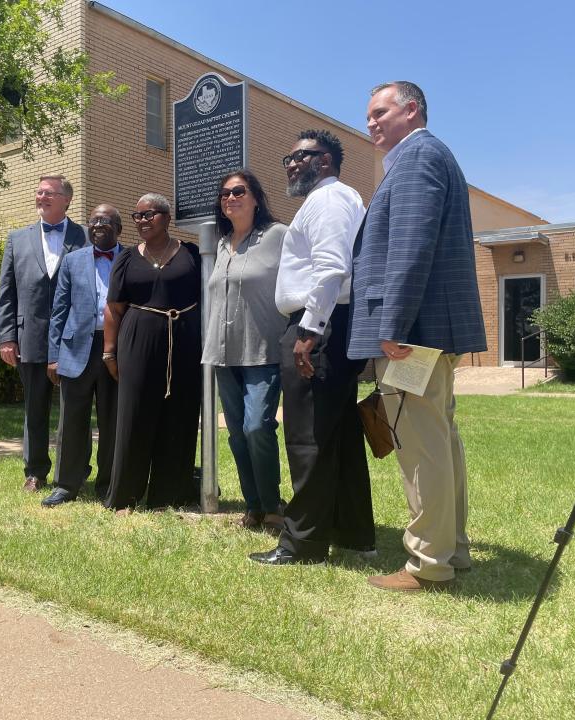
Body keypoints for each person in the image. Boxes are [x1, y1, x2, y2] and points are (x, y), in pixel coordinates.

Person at [348, 81, 487, 592]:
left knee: (421, 445)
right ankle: (453, 550)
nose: (371, 123)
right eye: (367, 116)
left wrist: (393, 327)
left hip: (410, 334)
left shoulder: (416, 157)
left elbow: (409, 246)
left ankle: (428, 564)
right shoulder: (428, 156)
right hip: (424, 330)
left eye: (380, 112)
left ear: (412, 109)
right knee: (439, 439)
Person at [250, 130, 374, 566]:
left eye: (299, 157)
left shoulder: (328, 200)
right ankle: (353, 531)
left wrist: (309, 330)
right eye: (288, 158)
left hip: (317, 327)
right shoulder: (333, 200)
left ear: (324, 161)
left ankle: (301, 543)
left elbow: (332, 268)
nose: (289, 164)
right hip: (327, 326)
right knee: (337, 436)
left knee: (308, 439)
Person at [103, 193, 201, 513]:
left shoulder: (192, 254)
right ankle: (126, 496)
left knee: (180, 416)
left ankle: (169, 495)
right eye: (138, 216)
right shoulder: (127, 259)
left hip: (185, 345)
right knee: (134, 416)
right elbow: (113, 309)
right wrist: (109, 353)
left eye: (150, 214)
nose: (143, 220)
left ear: (167, 218)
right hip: (137, 343)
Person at [202, 169, 288, 531]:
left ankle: (272, 504)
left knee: (257, 427)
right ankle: (253, 506)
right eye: (224, 194)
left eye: (239, 191)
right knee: (236, 432)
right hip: (223, 354)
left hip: (263, 351)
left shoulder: (277, 236)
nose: (231, 198)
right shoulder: (221, 244)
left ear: (255, 197)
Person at [0, 174, 86, 491]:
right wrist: (7, 336)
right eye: (39, 192)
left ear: (67, 199)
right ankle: (34, 472)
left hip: (73, 340)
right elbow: (6, 293)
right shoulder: (16, 239)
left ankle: (73, 471)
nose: (42, 197)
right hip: (29, 338)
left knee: (74, 410)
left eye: (49, 192)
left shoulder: (85, 237)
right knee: (34, 408)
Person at [42, 204, 123, 507]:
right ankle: (67, 484)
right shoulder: (72, 261)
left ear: (119, 228)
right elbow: (59, 311)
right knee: (71, 421)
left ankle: (108, 484)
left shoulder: (130, 258)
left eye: (105, 221)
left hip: (114, 349)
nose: (98, 225)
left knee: (112, 420)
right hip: (76, 350)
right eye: (94, 221)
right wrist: (53, 356)